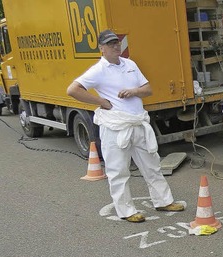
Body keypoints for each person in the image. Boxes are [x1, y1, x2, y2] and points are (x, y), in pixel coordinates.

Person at [67, 29, 185, 223]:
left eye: (117, 43)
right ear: (101, 49)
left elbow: (148, 90)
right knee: (118, 170)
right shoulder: (99, 70)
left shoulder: (130, 64)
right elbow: (72, 89)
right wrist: (101, 102)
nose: (115, 46)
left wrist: (134, 91)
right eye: (110, 44)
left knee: (152, 165)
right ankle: (126, 210)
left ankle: (163, 201)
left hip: (138, 123)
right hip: (115, 127)